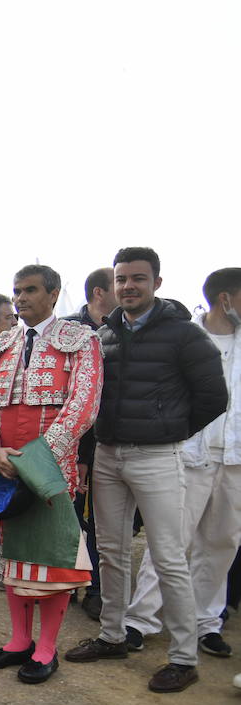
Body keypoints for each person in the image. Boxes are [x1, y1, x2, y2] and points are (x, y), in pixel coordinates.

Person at [67, 247, 226, 693]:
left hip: (158, 457)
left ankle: (183, 657)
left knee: (169, 558)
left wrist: (170, 430)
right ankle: (113, 635)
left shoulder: (184, 336)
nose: (128, 286)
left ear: (156, 282)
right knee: (112, 553)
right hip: (109, 456)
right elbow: (89, 397)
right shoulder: (104, 335)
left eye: (137, 278)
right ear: (113, 285)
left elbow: (214, 398)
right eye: (121, 279)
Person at [0, 265, 102, 683]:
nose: (21, 299)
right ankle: (18, 640)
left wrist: (38, 459)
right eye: (17, 292)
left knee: (51, 557)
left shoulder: (81, 341)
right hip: (6, 465)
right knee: (12, 552)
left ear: (53, 294)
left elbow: (83, 406)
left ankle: (46, 648)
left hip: (51, 465)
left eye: (30, 291)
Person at [121, 268, 241, 661]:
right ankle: (140, 621)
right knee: (169, 544)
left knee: (221, 544)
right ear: (225, 299)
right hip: (189, 456)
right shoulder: (186, 337)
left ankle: (208, 623)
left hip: (236, 459)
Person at [62, 267, 118, 620]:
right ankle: (66, 582)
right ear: (99, 293)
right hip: (71, 443)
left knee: (103, 525)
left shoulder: (124, 330)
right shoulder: (68, 331)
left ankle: (97, 591)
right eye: (118, 285)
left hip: (112, 441)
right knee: (67, 518)